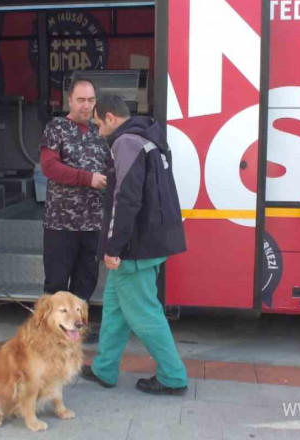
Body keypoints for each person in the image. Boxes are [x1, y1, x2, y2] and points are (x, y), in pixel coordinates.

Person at [79, 95, 188, 395]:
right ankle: (105, 369)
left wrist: (113, 247)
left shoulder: (126, 142)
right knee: (114, 309)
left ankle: (172, 376)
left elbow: (125, 200)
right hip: (149, 240)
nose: (100, 132)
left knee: (144, 314)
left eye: (100, 124)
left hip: (135, 248)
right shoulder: (147, 136)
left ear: (111, 117)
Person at [40, 78, 111, 343]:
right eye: (81, 100)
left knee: (86, 279)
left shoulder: (99, 131)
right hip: (61, 222)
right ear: (69, 100)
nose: (86, 106)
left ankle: (77, 330)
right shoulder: (56, 127)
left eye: (91, 100)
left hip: (93, 221)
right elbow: (50, 167)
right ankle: (50, 332)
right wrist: (87, 178)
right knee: (57, 281)